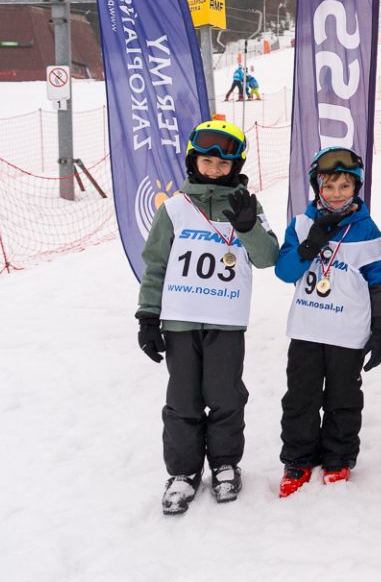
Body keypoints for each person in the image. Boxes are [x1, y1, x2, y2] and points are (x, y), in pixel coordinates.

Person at [135, 120, 280, 515]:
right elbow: (155, 266)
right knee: (182, 400)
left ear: (235, 166)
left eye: (223, 163)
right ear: (192, 162)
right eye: (207, 161)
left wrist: (247, 227)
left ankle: (225, 464)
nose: (214, 169)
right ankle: (183, 473)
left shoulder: (247, 206)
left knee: (226, 396)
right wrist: (148, 317)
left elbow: (268, 257)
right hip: (181, 321)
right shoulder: (174, 209)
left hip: (226, 320)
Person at [273, 147, 381, 498]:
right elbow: (284, 272)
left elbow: (379, 281)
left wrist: (380, 329)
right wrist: (309, 246)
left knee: (343, 398)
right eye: (329, 186)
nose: (337, 194)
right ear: (317, 187)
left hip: (348, 333)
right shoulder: (301, 224)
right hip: (307, 330)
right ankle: (298, 460)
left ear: (356, 187)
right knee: (301, 398)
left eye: (345, 186)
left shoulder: (366, 229)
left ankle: (338, 457)